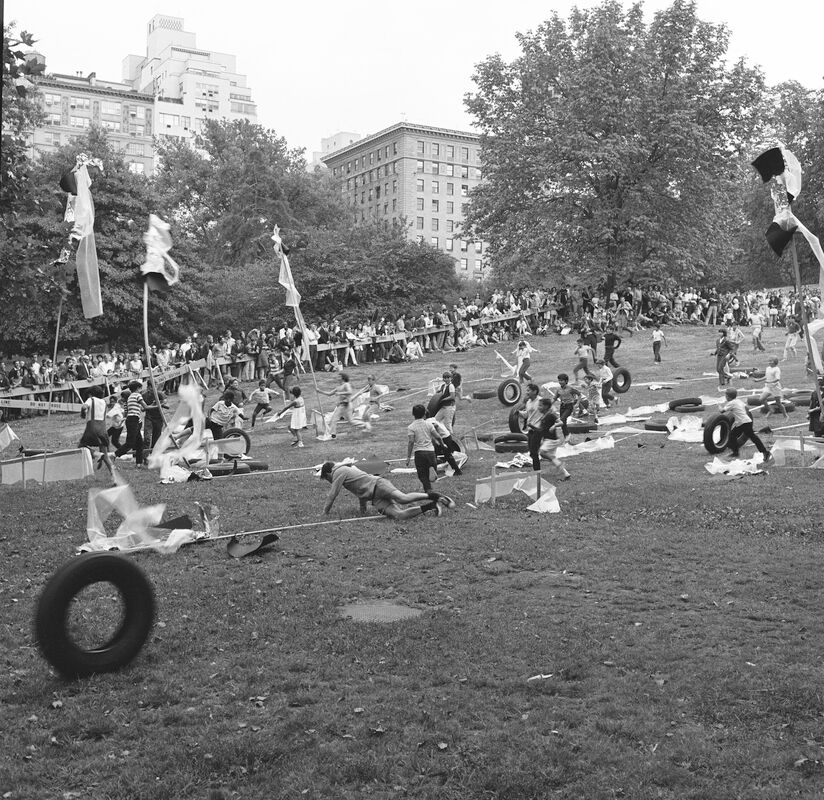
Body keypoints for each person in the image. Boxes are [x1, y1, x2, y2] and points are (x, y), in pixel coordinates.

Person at [320, 461, 454, 519]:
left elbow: (332, 495)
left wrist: (324, 513)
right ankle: (431, 506)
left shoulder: (339, 471)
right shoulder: (346, 473)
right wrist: (363, 511)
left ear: (328, 473)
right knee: (399, 516)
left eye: (327, 479)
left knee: (403, 498)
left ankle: (433, 495)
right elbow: (360, 491)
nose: (329, 482)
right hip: (375, 498)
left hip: (379, 485)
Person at [720, 388, 773, 463]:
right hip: (745, 421)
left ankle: (765, 452)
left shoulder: (731, 403)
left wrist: (719, 406)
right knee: (736, 436)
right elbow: (745, 408)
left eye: (726, 395)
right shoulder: (738, 401)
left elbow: (722, 411)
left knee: (751, 438)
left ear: (728, 397)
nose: (725, 397)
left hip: (743, 423)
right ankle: (736, 452)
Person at [406, 403, 446, 492]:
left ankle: (428, 490)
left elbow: (411, 441)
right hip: (431, 452)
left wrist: (408, 457)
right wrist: (443, 445)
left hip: (419, 453)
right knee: (431, 474)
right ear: (424, 413)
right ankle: (430, 483)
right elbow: (438, 437)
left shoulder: (411, 427)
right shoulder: (429, 424)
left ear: (413, 414)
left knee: (422, 475)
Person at [319, 372, 371, 438]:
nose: (337, 378)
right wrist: (319, 391)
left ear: (343, 378)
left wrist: (340, 393)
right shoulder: (338, 387)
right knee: (334, 419)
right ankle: (333, 434)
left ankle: (365, 425)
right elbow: (329, 394)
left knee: (350, 421)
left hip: (347, 404)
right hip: (341, 405)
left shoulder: (346, 384)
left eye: (339, 376)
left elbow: (350, 392)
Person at [531, 397, 571, 479]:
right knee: (552, 459)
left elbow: (561, 422)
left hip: (552, 441)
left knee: (542, 452)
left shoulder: (551, 415)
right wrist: (532, 427)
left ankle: (559, 464)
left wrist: (554, 426)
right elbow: (541, 430)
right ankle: (566, 474)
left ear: (546, 407)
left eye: (540, 406)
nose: (538, 407)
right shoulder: (543, 417)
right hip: (547, 440)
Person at [79, 385, 114, 474]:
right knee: (105, 455)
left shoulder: (91, 399)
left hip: (92, 427)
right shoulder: (104, 402)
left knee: (81, 445)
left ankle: (96, 454)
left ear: (91, 394)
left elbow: (84, 407)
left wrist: (83, 413)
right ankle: (114, 477)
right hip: (102, 428)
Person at [114, 380, 149, 467]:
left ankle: (139, 463)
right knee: (130, 443)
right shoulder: (137, 395)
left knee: (139, 443)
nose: (141, 390)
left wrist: (153, 404)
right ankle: (114, 455)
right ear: (137, 388)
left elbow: (142, 409)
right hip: (133, 420)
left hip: (134, 420)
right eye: (140, 388)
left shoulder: (131, 397)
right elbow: (146, 407)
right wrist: (158, 405)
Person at [551, 373, 582, 442]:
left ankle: (567, 436)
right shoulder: (558, 389)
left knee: (561, 420)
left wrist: (577, 403)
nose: (560, 382)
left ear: (566, 381)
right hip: (562, 406)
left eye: (562, 380)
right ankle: (567, 437)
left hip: (569, 406)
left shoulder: (570, 388)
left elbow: (579, 394)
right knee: (563, 423)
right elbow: (555, 398)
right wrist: (549, 405)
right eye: (559, 380)